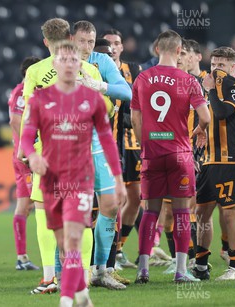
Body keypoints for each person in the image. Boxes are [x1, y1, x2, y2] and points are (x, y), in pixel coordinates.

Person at [21, 40, 125, 307]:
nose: (68, 64)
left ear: (81, 66)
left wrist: (117, 178)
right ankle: (81, 295)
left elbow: (107, 140)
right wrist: (32, 155)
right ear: (54, 64)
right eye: (63, 60)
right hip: (51, 180)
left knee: (74, 237)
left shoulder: (93, 101)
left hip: (81, 179)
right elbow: (26, 138)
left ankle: (66, 300)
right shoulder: (40, 100)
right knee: (64, 243)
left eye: (73, 60)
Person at [131, 30, 210, 284]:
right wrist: (199, 130)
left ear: (156, 49)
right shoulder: (188, 79)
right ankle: (180, 270)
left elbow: (135, 118)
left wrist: (146, 144)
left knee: (150, 211)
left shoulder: (142, 78)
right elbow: (206, 117)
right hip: (179, 153)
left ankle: (142, 269)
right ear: (179, 51)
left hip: (151, 153)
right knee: (181, 213)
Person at [71, 20, 132, 289]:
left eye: (91, 41)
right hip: (68, 146)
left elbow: (126, 91)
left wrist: (100, 87)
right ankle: (67, 273)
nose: (86, 47)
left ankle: (100, 270)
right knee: (73, 211)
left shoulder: (101, 62)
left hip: (97, 143)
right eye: (82, 41)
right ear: (71, 39)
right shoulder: (58, 63)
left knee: (110, 205)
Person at [192, 47, 235, 281]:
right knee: (201, 212)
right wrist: (201, 129)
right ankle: (201, 266)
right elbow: (205, 116)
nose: (217, 69)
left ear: (233, 67)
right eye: (214, 64)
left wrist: (211, 89)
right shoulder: (208, 88)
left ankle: (234, 268)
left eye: (222, 65)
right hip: (208, 161)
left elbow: (222, 112)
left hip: (231, 161)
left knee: (229, 213)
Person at [102, 29, 143, 271]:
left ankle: (119, 249)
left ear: (122, 47)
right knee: (115, 199)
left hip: (133, 142)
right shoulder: (98, 70)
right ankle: (109, 252)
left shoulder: (134, 70)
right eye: (109, 44)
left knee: (135, 198)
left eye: (117, 43)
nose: (114, 47)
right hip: (110, 143)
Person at [8, 56, 40, 271]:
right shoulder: (22, 91)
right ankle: (23, 258)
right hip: (27, 157)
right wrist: (29, 145)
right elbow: (15, 120)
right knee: (31, 204)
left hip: (29, 155)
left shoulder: (35, 91)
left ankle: (22, 258)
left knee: (26, 206)